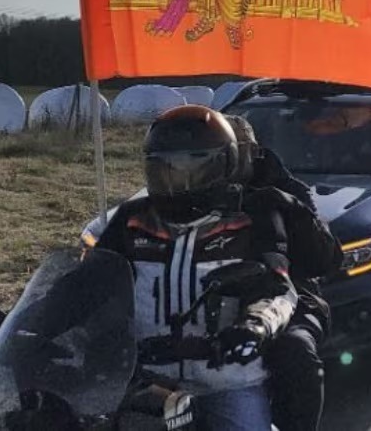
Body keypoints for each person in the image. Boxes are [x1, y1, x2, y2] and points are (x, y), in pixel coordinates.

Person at [96, 105, 299, 431]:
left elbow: (278, 289)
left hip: (227, 380)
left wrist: (255, 325)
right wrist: (31, 323)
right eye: (164, 169)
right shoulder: (131, 220)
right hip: (144, 378)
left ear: (224, 164)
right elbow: (87, 284)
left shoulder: (252, 218)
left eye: (192, 168)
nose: (176, 182)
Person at [226, 114, 341, 431]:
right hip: (205, 292)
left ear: (252, 152)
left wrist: (293, 209)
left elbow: (327, 259)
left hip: (288, 293)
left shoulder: (286, 191)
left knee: (295, 350)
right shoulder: (186, 193)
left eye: (234, 151)